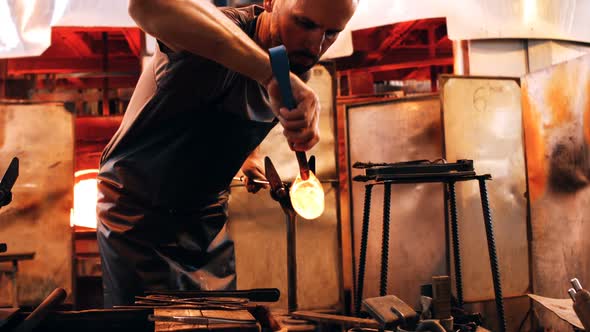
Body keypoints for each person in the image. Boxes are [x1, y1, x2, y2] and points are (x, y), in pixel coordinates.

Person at [96, 0, 357, 307]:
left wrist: (250, 157)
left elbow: (237, 110)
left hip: (205, 222)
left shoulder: (296, 67)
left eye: (331, 33)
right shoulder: (212, 33)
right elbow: (146, 5)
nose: (314, 45)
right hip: (139, 220)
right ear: (271, 2)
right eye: (305, 23)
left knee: (221, 322)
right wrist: (270, 74)